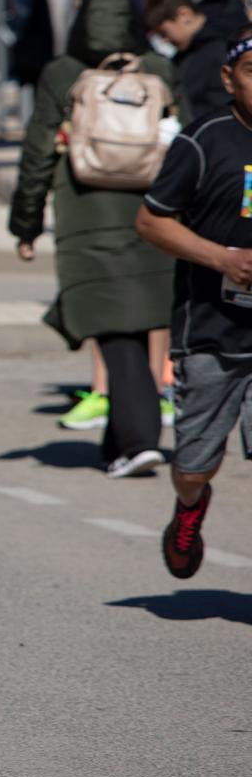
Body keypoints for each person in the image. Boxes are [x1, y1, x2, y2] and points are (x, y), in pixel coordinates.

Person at [9, 0, 180, 478]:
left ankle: (139, 440)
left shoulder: (63, 72)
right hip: (153, 213)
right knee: (138, 320)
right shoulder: (158, 68)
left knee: (112, 326)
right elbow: (188, 141)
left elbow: (38, 152)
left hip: (86, 210)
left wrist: (26, 224)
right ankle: (120, 443)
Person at [136, 30, 252, 577]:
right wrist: (221, 259)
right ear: (229, 79)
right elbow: (152, 221)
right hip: (210, 332)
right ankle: (189, 506)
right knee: (196, 465)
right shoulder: (203, 140)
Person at [142, 0, 249, 126]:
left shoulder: (220, 49)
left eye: (164, 32)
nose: (164, 40)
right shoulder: (191, 47)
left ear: (184, 15)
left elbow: (220, 107)